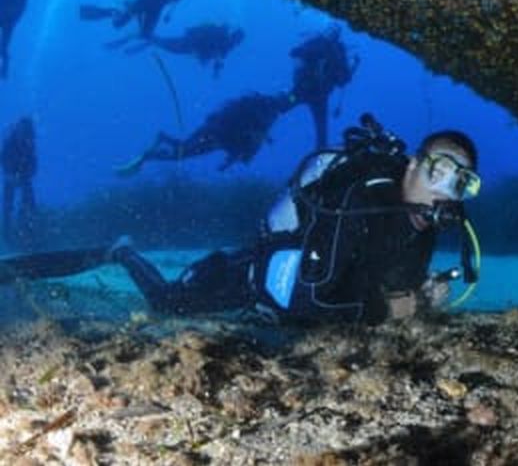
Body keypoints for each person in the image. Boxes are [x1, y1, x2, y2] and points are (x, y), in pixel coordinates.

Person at [3, 115, 482, 325]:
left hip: (297, 296)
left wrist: (422, 296)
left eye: (460, 182)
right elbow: (310, 299)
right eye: (440, 170)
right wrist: (401, 309)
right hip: (252, 281)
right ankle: (121, 250)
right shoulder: (361, 199)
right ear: (415, 165)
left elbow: (387, 287)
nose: (445, 189)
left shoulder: (423, 224)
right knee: (167, 304)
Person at [115, 92, 293, 176]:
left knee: (182, 148)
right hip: (218, 136)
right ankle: (148, 156)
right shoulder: (268, 114)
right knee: (181, 154)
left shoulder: (260, 105)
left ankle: (163, 139)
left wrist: (230, 160)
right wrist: (232, 161)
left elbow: (246, 138)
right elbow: (251, 142)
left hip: (212, 126)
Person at [289, 25, 358, 149]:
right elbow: (294, 52)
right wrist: (310, 54)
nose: (333, 34)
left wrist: (354, 66)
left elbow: (343, 80)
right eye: (331, 31)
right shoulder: (317, 42)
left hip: (319, 96)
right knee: (284, 103)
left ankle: (320, 153)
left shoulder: (338, 52)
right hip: (303, 89)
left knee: (322, 131)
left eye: (335, 32)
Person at [120, 23, 245, 77]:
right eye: (237, 40)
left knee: (166, 44)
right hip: (190, 44)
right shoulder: (224, 40)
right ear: (235, 37)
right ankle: (144, 35)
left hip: (190, 44)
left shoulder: (225, 41)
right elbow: (218, 57)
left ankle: (145, 36)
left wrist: (216, 69)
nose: (236, 43)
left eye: (237, 41)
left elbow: (218, 58)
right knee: (167, 45)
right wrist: (216, 71)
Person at [1, 117, 37, 245]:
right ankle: (7, 234)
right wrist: (10, 174)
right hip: (10, 175)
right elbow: (3, 158)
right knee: (8, 206)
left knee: (29, 203)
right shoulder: (9, 141)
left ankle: (28, 230)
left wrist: (26, 175)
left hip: (24, 176)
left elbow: (33, 163)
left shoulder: (30, 142)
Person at [0, 0, 33, 80]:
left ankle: (4, 66)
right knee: (3, 44)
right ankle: (4, 66)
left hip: (8, 16)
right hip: (10, 16)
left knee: (3, 45)